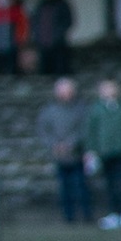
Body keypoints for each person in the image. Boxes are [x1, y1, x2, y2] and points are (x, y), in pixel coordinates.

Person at [84, 78, 121, 229]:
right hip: (104, 151)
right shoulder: (96, 108)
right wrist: (92, 150)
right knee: (109, 183)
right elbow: (91, 131)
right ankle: (113, 213)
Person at [36, 78, 90, 224]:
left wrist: (71, 144)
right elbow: (43, 130)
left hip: (77, 155)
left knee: (81, 186)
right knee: (64, 188)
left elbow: (85, 129)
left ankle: (86, 215)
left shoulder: (81, 109)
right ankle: (69, 217)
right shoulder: (49, 111)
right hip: (59, 156)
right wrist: (55, 145)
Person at [30, 0, 74, 76]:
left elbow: (68, 22)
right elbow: (35, 22)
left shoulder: (62, 4)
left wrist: (57, 36)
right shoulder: (40, 5)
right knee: (45, 73)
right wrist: (38, 37)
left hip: (58, 46)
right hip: (43, 45)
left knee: (60, 71)